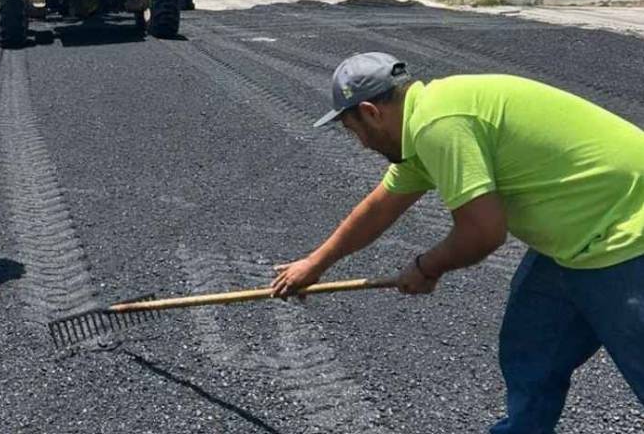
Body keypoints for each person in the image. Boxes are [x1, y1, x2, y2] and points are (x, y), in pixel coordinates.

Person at [271, 52, 644, 433]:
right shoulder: (424, 122)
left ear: (370, 112)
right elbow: (379, 208)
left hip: (625, 234)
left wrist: (425, 267)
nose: (362, 143)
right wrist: (314, 265)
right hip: (575, 237)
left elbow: (483, 232)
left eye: (354, 130)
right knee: (531, 349)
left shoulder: (439, 124)